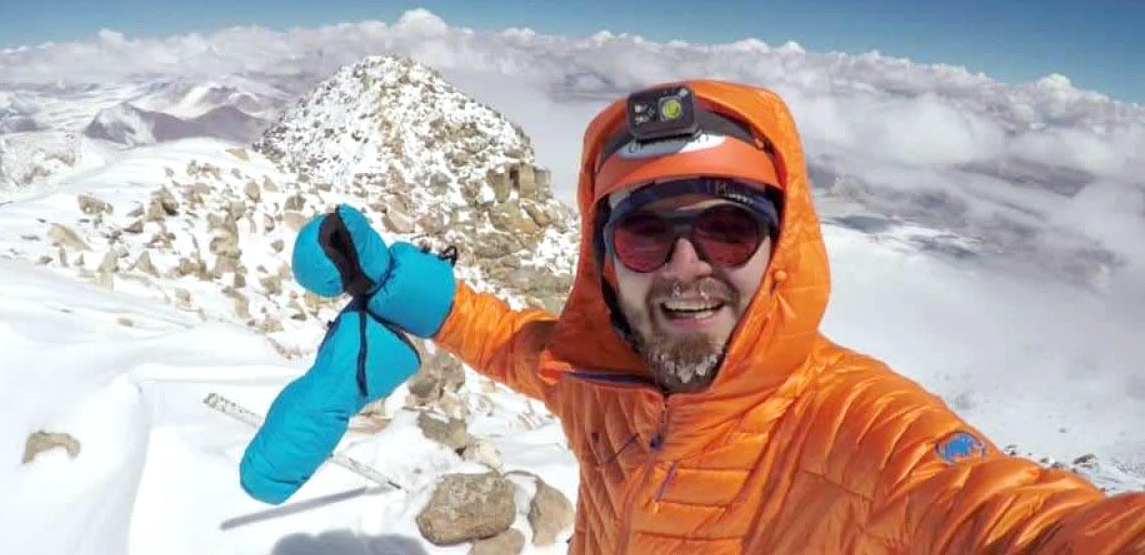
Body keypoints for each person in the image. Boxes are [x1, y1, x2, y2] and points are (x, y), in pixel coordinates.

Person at [239, 80, 1145, 553]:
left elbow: (1009, 518)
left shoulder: (856, 428)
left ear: (779, 251)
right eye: (644, 234)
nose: (686, 267)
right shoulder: (609, 381)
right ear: (604, 264)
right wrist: (404, 290)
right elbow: (517, 346)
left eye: (726, 228)